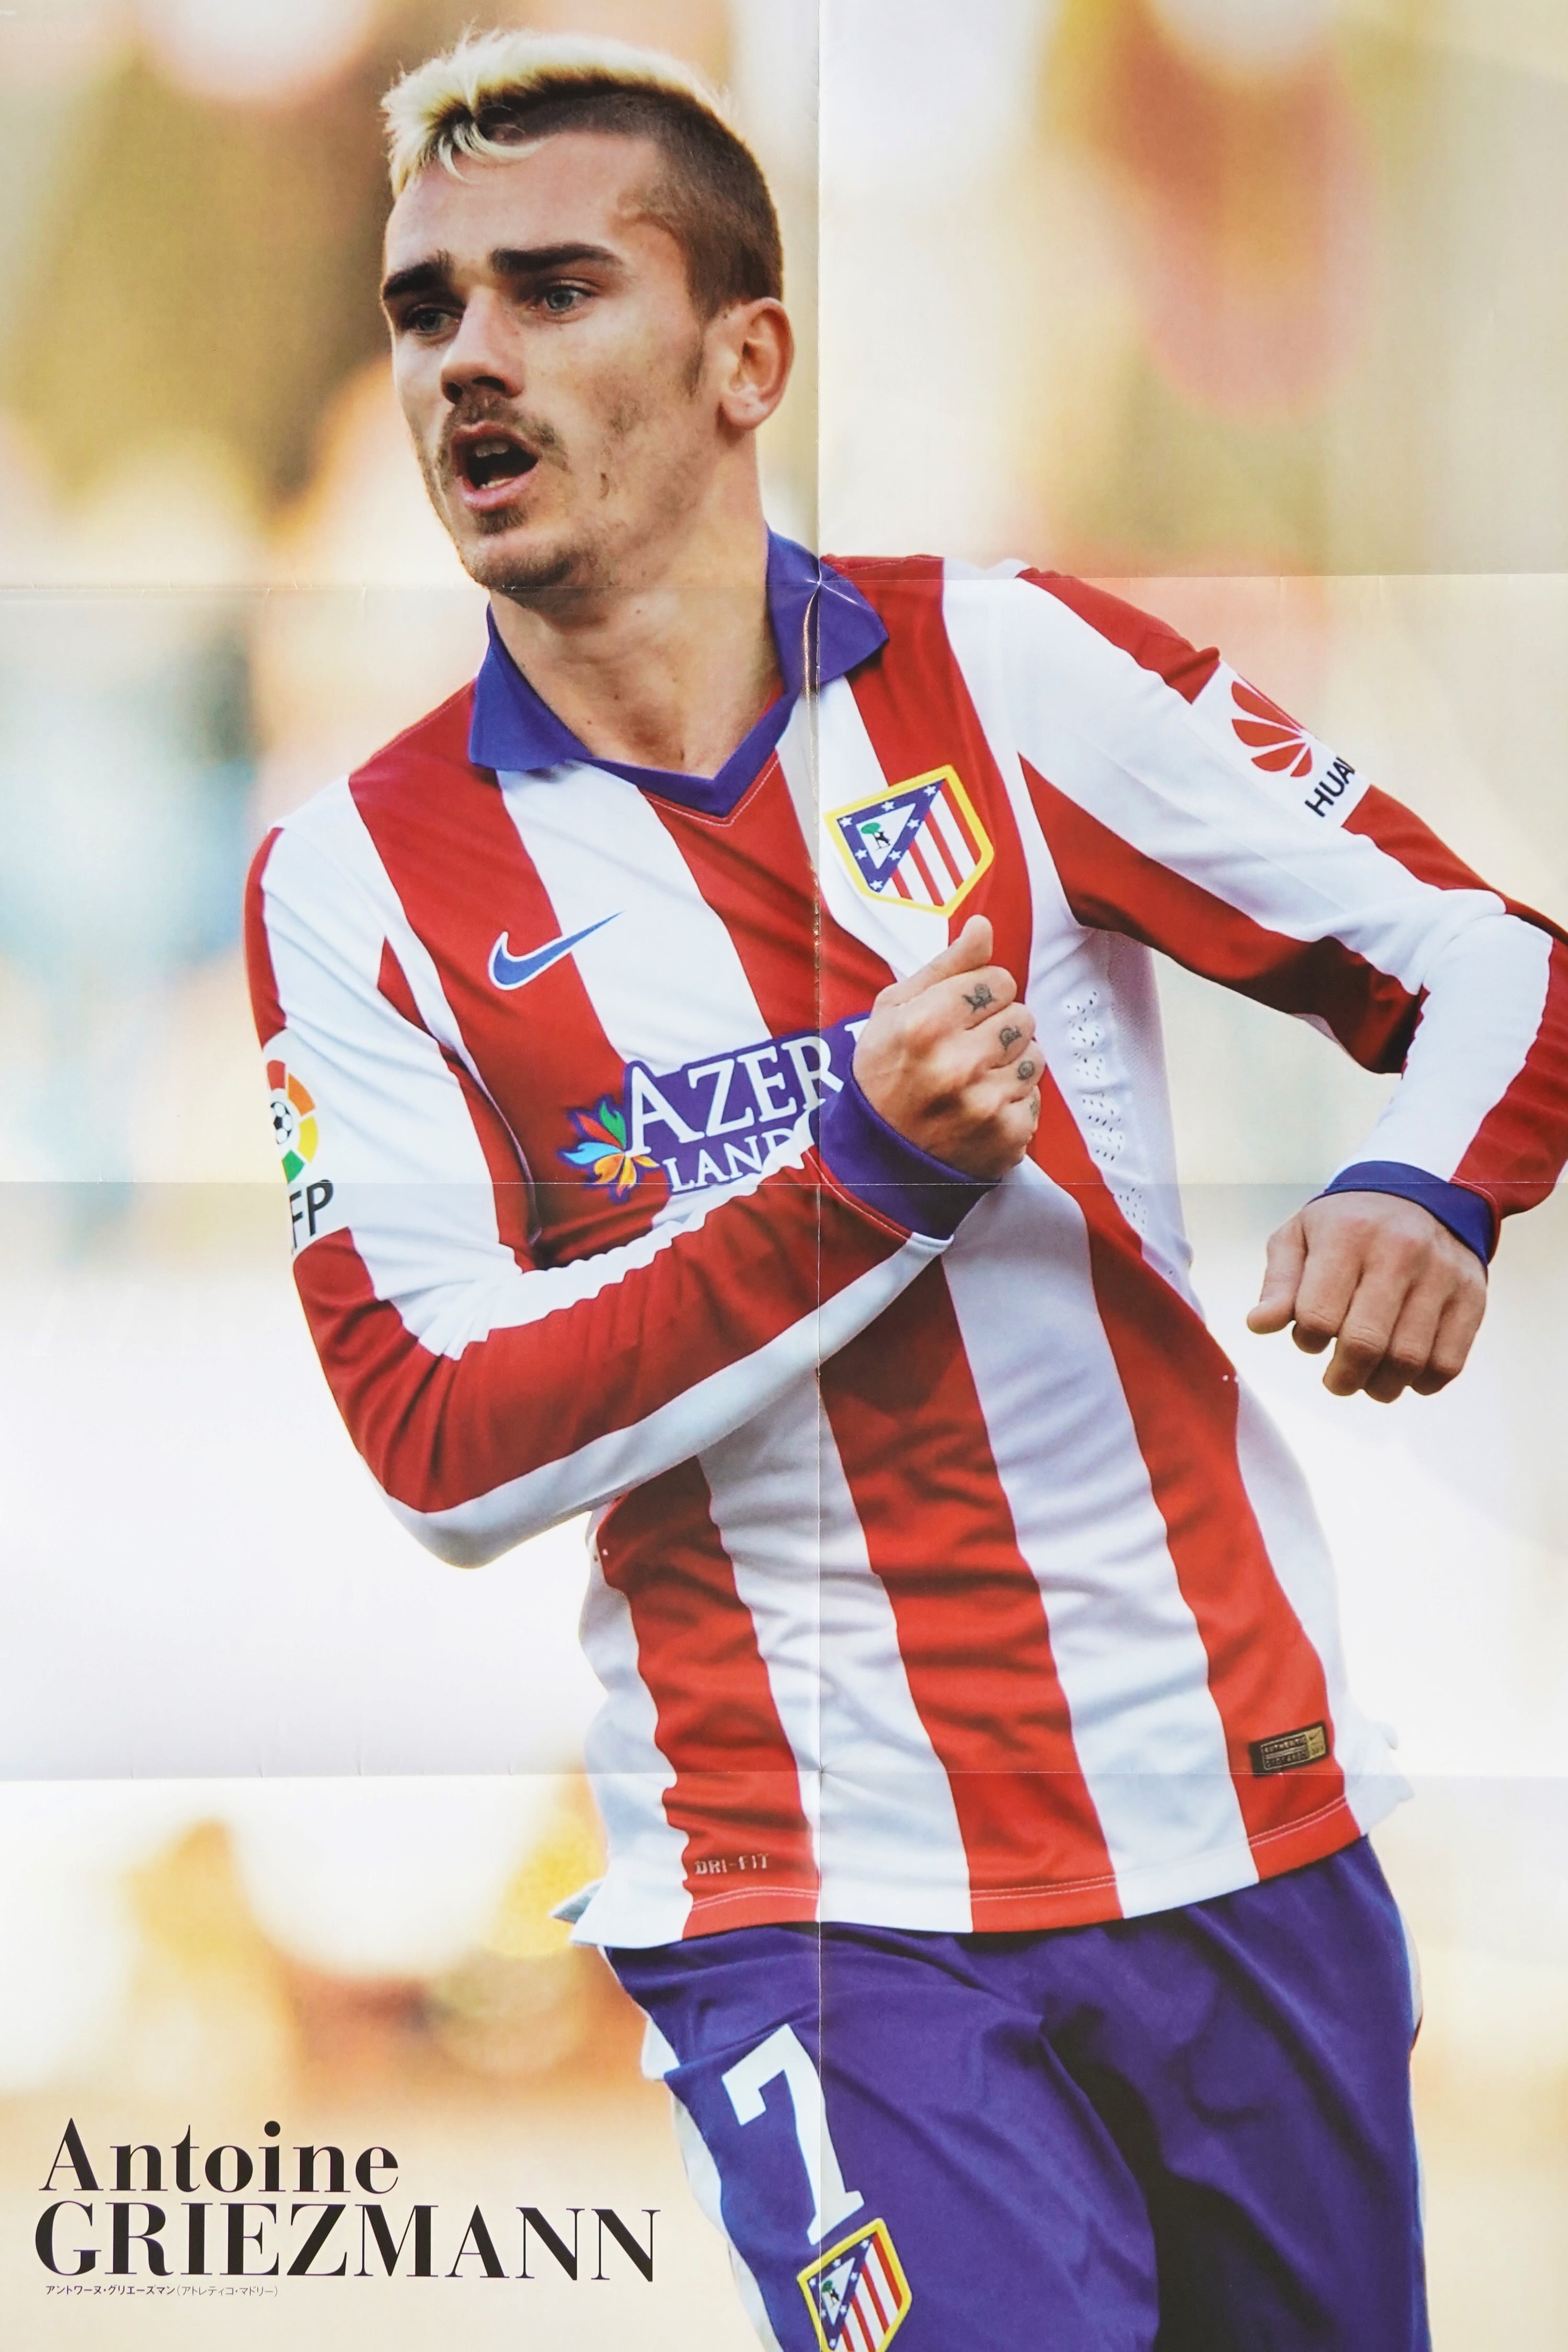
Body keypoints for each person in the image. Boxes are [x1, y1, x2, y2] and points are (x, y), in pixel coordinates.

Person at [244, 30, 1568, 2351]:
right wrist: (857, 1175)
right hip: (811, 1899)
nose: (468, 356)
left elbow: (1494, 964)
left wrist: (1423, 1190)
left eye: (553, 287)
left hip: (1231, 1814)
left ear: (746, 357)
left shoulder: (1010, 668)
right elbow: (438, 1440)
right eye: (426, 305)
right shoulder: (357, 881)